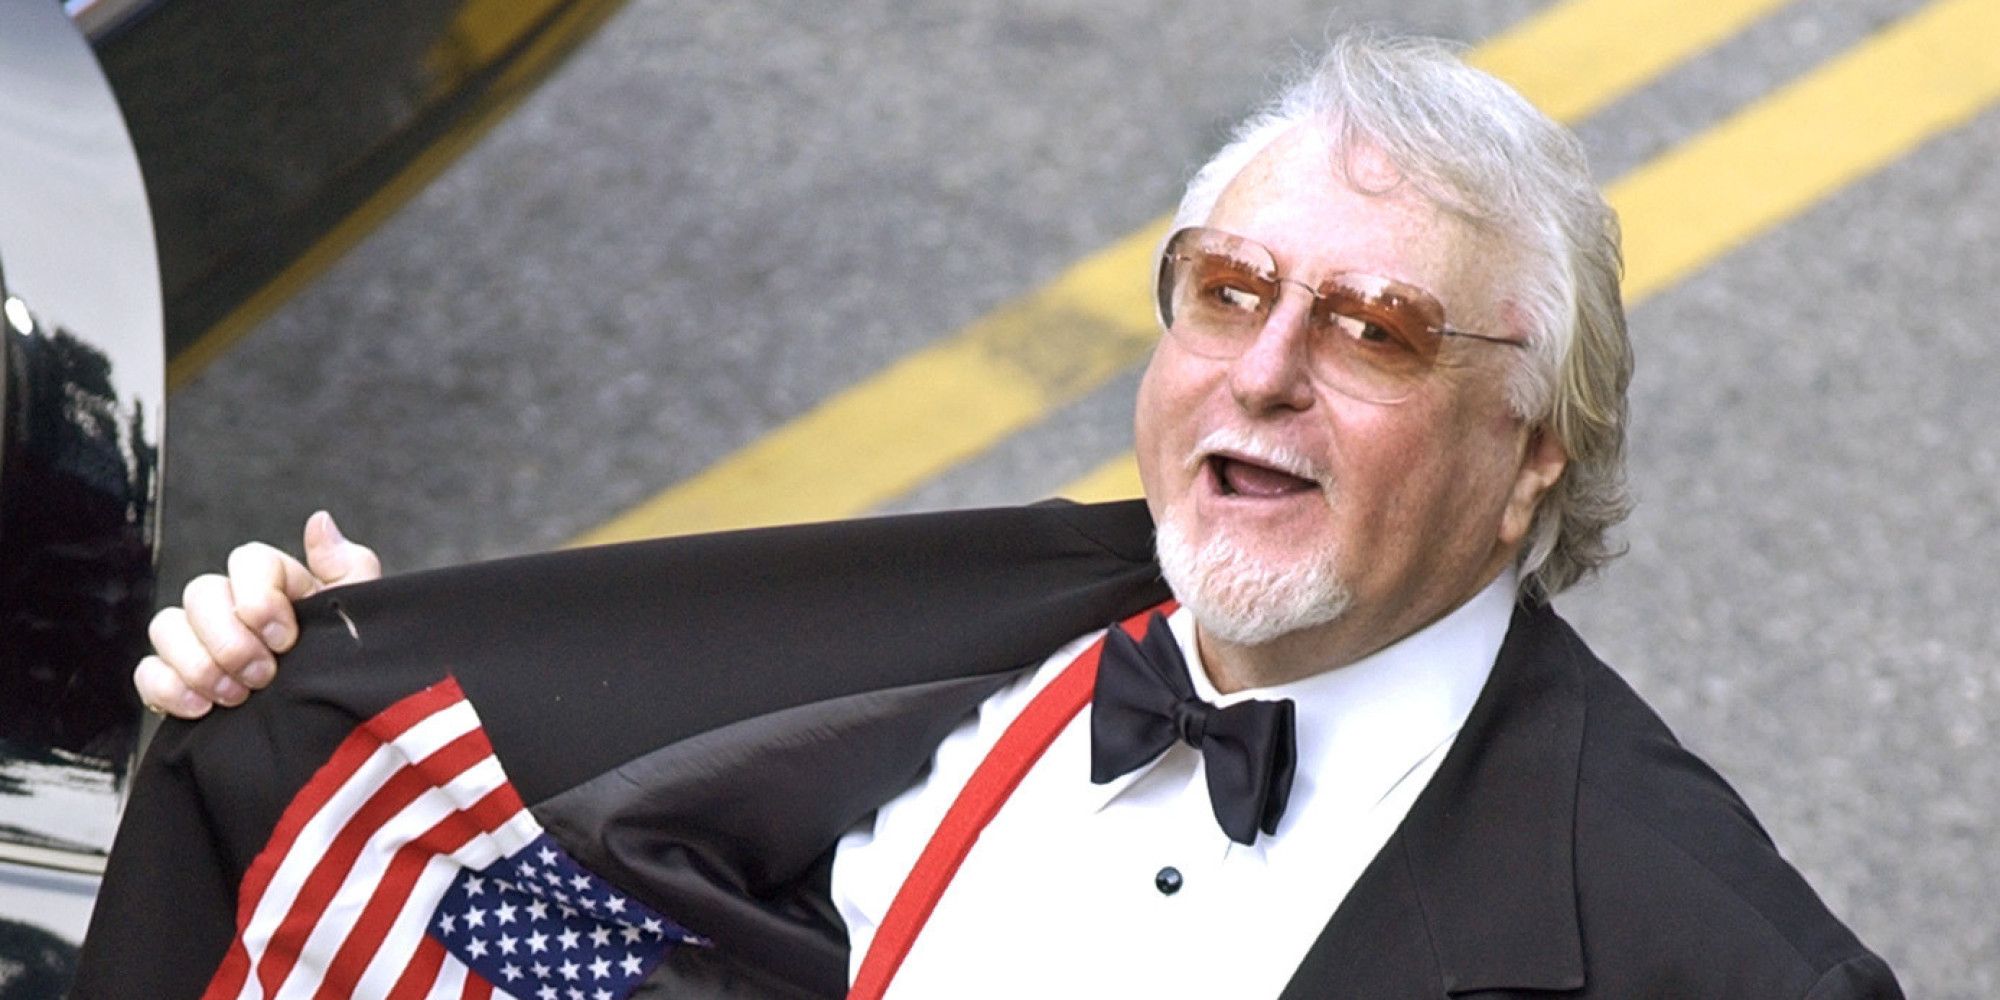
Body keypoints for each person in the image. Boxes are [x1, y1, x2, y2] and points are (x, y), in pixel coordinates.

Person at [92, 28, 1900, 999]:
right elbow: (556, 868)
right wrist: (346, 664)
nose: (1265, 374)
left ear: (1531, 454)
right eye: (1227, 291)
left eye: (1378, 330)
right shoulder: (950, 630)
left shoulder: (1709, 959)